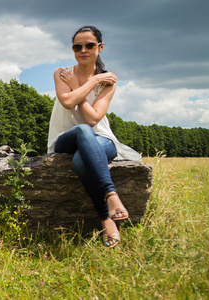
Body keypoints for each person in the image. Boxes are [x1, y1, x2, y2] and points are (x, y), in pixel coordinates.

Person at [47, 25, 141, 248]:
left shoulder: (108, 83)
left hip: (101, 140)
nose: (83, 50)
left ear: (100, 47)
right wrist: (92, 82)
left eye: (89, 45)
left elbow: (92, 118)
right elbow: (68, 102)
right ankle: (111, 196)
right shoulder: (63, 73)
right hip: (66, 138)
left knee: (81, 158)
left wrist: (85, 86)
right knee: (81, 131)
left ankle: (106, 218)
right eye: (77, 46)